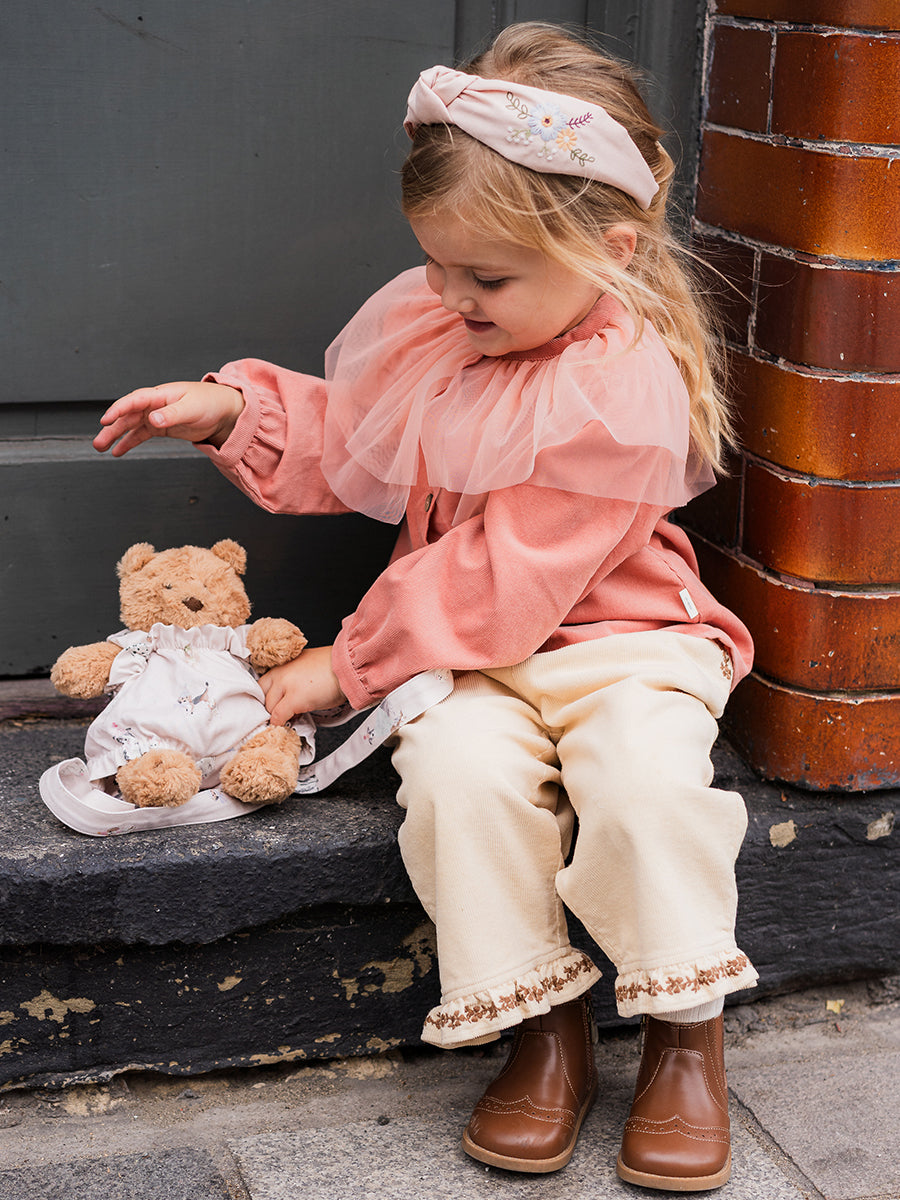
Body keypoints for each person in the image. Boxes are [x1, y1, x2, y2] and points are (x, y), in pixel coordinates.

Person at [94, 22, 758, 1191]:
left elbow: (506, 571)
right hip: (471, 657)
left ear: (608, 251)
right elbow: (361, 436)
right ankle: (541, 1027)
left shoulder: (617, 382)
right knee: (457, 780)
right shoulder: (451, 324)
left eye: (484, 277)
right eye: (438, 266)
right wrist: (231, 410)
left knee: (646, 782)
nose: (449, 296)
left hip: (623, 643)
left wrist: (350, 663)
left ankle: (683, 1030)